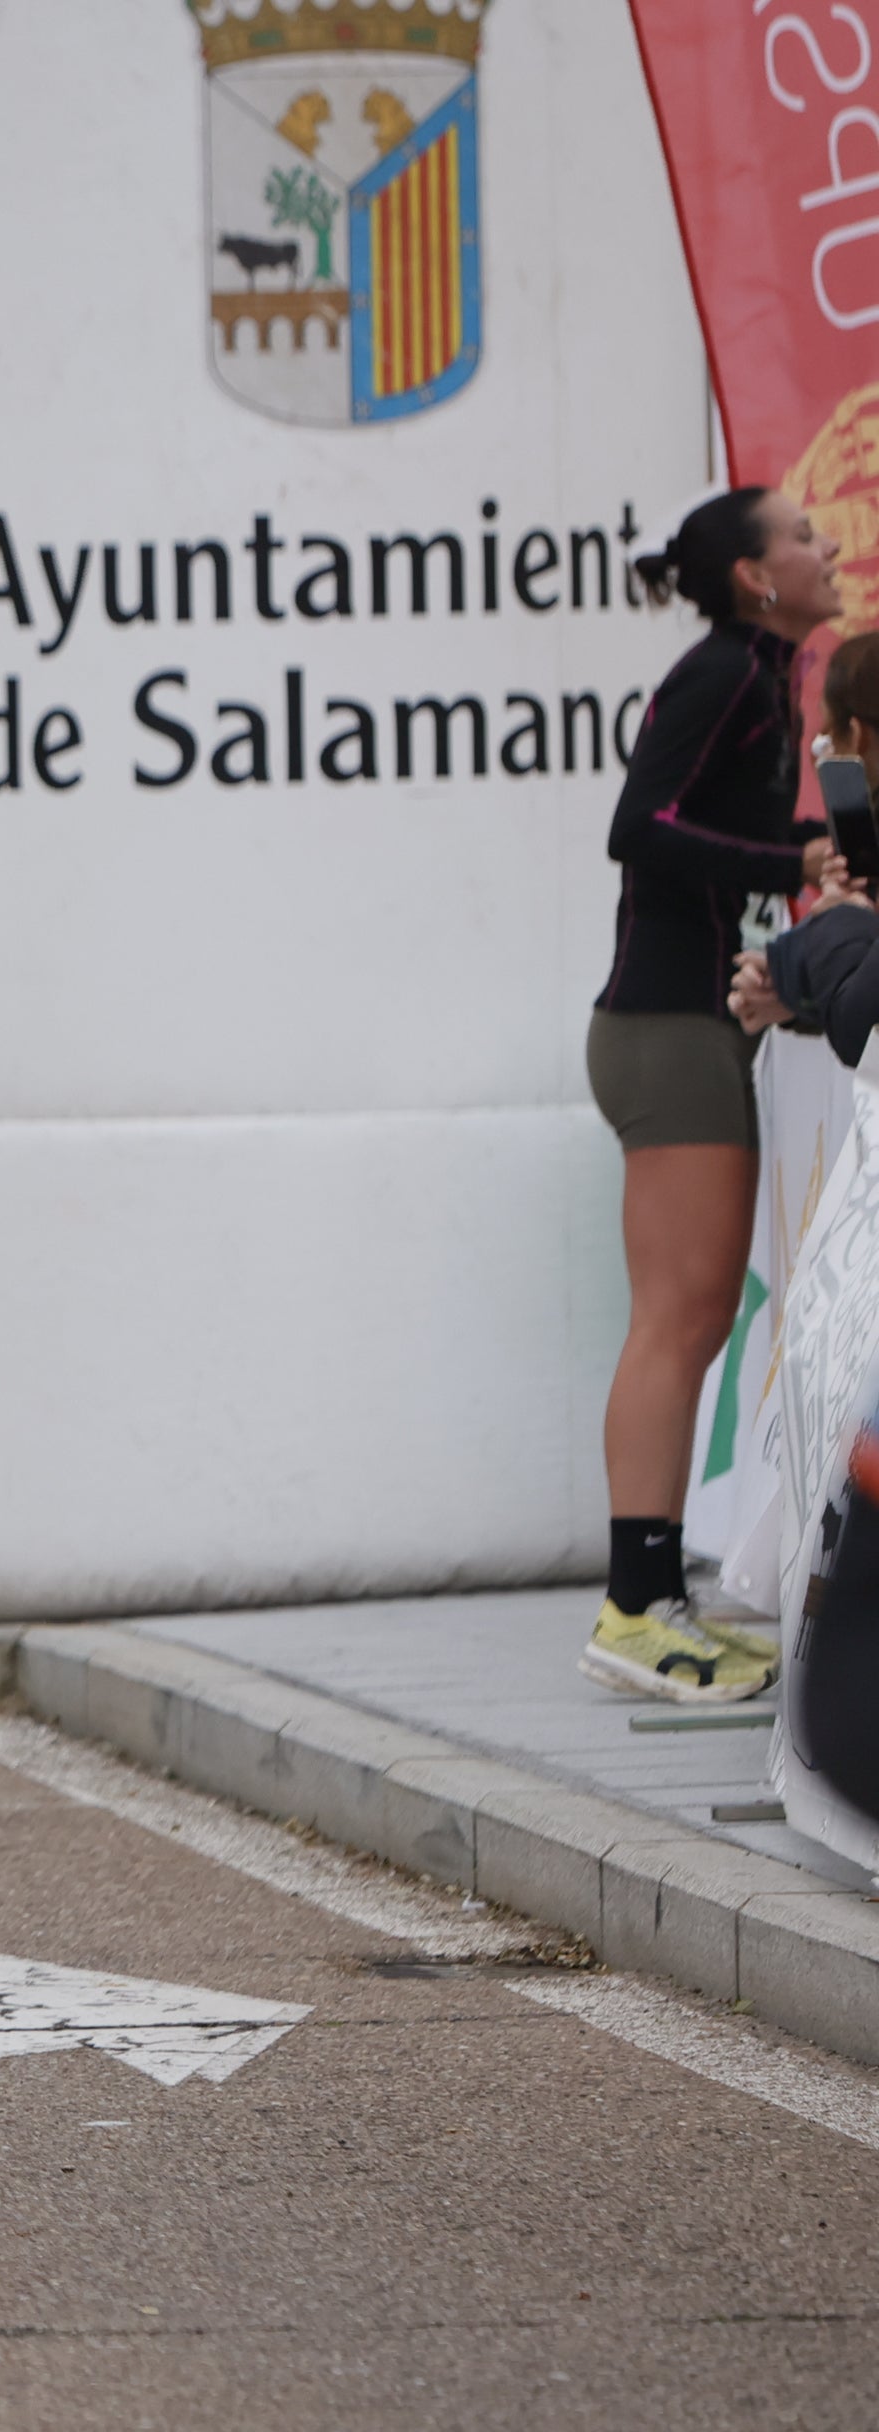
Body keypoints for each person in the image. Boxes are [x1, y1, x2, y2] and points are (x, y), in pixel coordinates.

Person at [586, 489, 846, 1703]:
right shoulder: (726, 673)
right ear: (753, 576)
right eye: (800, 535)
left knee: (693, 1318)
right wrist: (793, 859)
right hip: (662, 1029)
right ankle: (635, 1609)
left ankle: (657, 1600)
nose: (826, 547)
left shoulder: (766, 678)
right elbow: (638, 826)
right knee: (678, 1317)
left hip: (695, 1025)